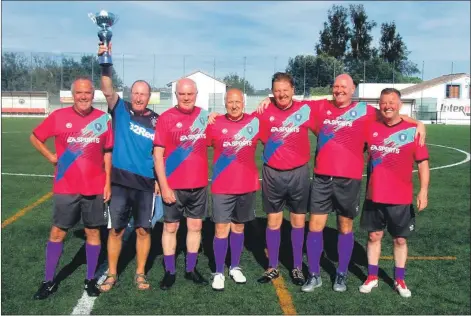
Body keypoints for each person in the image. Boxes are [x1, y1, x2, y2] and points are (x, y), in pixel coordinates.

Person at [256, 73, 426, 292]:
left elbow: (390, 115)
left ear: (352, 89)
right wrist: (268, 99)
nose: (339, 90)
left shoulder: (364, 111)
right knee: (315, 227)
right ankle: (315, 275)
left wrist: (417, 123)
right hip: (322, 178)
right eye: (336, 86)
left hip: (349, 180)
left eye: (344, 87)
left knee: (345, 227)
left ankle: (341, 275)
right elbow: (287, 99)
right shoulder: (318, 107)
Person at [31, 77, 113, 299]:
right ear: (73, 95)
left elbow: (107, 153)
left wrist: (107, 183)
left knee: (93, 232)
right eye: (79, 93)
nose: (84, 96)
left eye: (87, 92)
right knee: (58, 232)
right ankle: (48, 280)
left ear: (93, 93)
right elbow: (35, 136)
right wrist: (50, 156)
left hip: (95, 187)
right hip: (65, 187)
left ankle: (89, 279)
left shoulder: (103, 119)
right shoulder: (58, 117)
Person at [98, 42, 160, 292]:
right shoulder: (120, 109)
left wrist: (158, 180)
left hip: (145, 184)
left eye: (143, 94)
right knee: (116, 231)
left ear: (148, 97)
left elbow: (160, 153)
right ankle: (112, 274)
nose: (138, 97)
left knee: (144, 231)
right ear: (131, 94)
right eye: (135, 92)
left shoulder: (157, 121)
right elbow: (106, 88)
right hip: (120, 183)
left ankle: (140, 273)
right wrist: (105, 61)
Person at [359, 88, 429, 298]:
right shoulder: (369, 127)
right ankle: (372, 277)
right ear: (379, 105)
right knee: (374, 236)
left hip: (401, 196)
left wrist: (423, 190)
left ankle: (399, 279)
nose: (388, 106)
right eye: (384, 102)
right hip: (374, 195)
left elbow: (423, 163)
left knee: (399, 240)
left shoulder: (412, 131)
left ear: (399, 105)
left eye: (392, 102)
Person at [254, 72, 317, 286]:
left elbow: (333, 114)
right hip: (272, 173)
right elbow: (240, 125)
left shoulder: (305, 110)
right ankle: (273, 266)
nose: (281, 94)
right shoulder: (263, 111)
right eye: (276, 91)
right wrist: (213, 117)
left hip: (298, 173)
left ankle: (297, 266)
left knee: (298, 222)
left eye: (285, 90)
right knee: (273, 222)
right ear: (272, 92)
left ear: (293, 90)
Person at [153, 78, 209, 290]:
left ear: (196, 94)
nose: (186, 98)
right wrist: (164, 185)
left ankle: (191, 269)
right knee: (170, 227)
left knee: (195, 226)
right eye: (182, 94)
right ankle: (170, 271)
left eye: (190, 94)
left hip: (199, 185)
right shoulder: (166, 118)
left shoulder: (203, 116)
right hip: (173, 187)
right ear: (176, 95)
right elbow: (158, 156)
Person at [206, 88, 260, 290]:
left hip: (246, 185)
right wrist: (207, 115)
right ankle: (219, 271)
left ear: (243, 103)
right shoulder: (215, 123)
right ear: (225, 103)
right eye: (230, 102)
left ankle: (235, 267)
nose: (234, 105)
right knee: (221, 229)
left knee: (238, 227)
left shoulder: (254, 123)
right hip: (222, 185)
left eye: (237, 102)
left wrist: (268, 98)